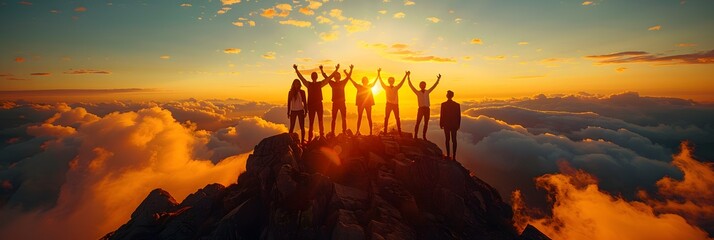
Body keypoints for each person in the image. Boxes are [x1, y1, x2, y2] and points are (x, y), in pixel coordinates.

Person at [293, 64, 337, 141]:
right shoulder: (315, 84)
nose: (314, 77)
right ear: (315, 77)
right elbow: (302, 78)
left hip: (315, 105)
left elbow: (302, 78)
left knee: (317, 121)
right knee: (314, 122)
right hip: (314, 105)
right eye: (314, 75)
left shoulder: (311, 84)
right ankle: (315, 137)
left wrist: (296, 70)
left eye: (314, 75)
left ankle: (318, 137)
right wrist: (296, 70)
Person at [408, 73, 441, 140]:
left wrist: (438, 79)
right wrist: (408, 78)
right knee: (418, 122)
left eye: (424, 85)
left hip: (427, 109)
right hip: (421, 109)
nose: (423, 86)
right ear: (420, 86)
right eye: (421, 85)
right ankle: (415, 135)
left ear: (425, 86)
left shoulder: (427, 91)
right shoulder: (418, 92)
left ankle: (424, 136)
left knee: (426, 123)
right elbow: (411, 86)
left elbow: (433, 86)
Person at [347, 67, 378, 135]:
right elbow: (352, 81)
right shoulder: (363, 86)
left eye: (365, 80)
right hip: (363, 104)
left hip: (365, 104)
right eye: (364, 80)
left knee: (366, 117)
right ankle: (360, 131)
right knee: (362, 117)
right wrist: (347, 74)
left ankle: (368, 132)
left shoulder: (363, 86)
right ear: (364, 81)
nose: (365, 81)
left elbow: (352, 81)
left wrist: (378, 75)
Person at [378, 69, 408, 135]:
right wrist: (379, 74)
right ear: (389, 81)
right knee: (386, 118)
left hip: (395, 105)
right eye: (390, 81)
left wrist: (405, 75)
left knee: (397, 118)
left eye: (392, 81)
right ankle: (385, 131)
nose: (391, 81)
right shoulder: (386, 87)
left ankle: (399, 131)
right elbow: (381, 82)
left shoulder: (396, 87)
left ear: (393, 81)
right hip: (389, 104)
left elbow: (401, 82)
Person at [323, 64, 348, 135]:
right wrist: (322, 71)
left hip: (341, 103)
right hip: (336, 103)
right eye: (336, 76)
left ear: (339, 77)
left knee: (343, 119)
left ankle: (343, 132)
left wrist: (349, 71)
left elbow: (348, 77)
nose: (337, 77)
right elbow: (326, 77)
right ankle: (333, 132)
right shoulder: (333, 83)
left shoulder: (341, 83)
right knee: (334, 119)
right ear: (335, 77)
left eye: (338, 75)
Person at [440, 90, 461, 160]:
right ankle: (454, 157)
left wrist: (441, 123)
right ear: (452, 96)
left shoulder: (443, 104)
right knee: (454, 140)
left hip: (446, 124)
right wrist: (458, 124)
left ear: (447, 96)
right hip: (454, 124)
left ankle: (448, 155)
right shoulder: (457, 105)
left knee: (447, 139)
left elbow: (442, 115)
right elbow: (459, 116)